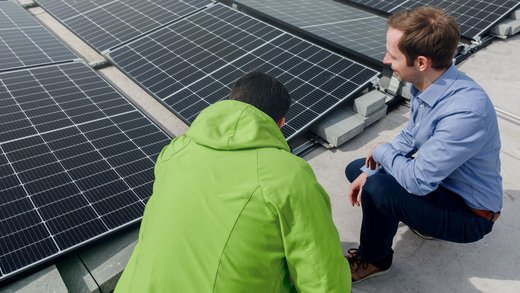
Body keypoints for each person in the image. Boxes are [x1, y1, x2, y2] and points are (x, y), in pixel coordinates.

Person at [115, 71, 351, 292]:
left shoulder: (177, 149)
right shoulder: (289, 176)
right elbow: (324, 281)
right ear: (280, 123)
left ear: (231, 101)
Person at [344, 6, 503, 283]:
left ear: (420, 62)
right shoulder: (429, 83)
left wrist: (381, 151)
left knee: (378, 188)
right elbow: (411, 136)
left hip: (470, 214)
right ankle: (419, 218)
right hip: (442, 183)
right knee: (359, 170)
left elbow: (418, 181)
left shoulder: (465, 113)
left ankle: (375, 259)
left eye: (392, 56)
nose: (386, 60)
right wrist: (372, 167)